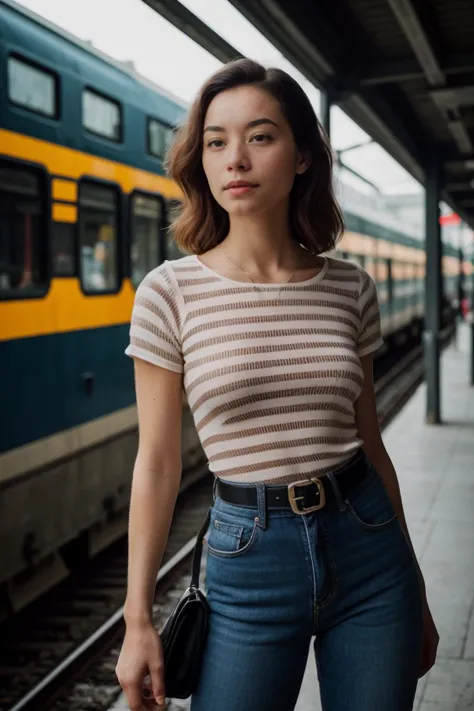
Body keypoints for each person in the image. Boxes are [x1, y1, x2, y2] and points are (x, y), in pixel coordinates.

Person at [115, 58, 439, 711]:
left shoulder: (352, 287)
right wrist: (137, 618)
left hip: (371, 551)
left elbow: (371, 443)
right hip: (247, 559)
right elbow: (155, 462)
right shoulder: (168, 294)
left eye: (260, 136)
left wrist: (418, 591)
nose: (235, 157)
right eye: (215, 141)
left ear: (300, 157)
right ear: (200, 160)